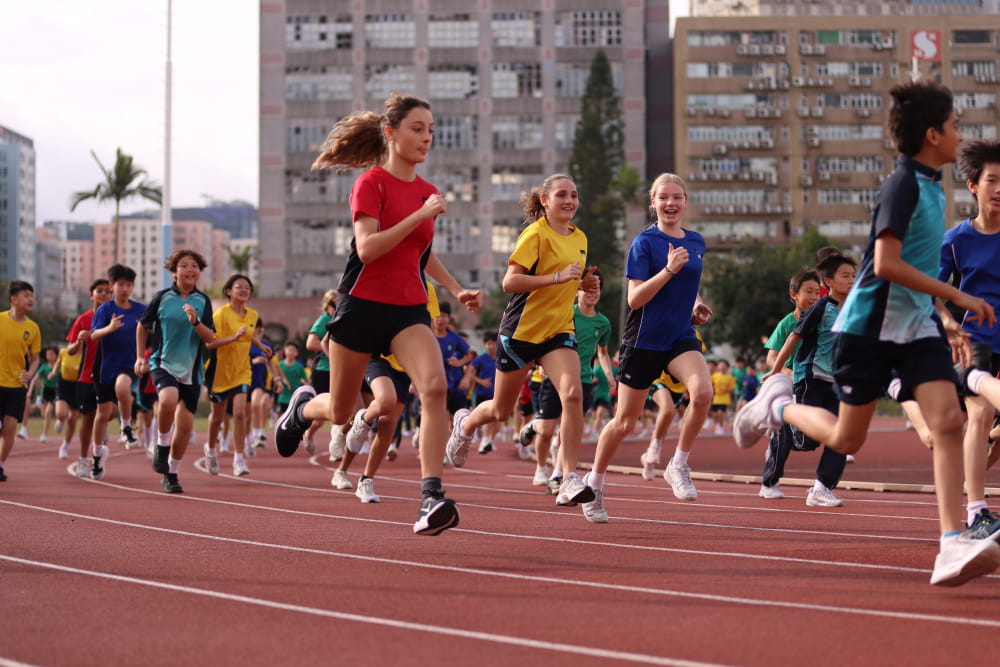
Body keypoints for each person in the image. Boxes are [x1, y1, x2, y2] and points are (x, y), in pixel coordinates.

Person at [733, 80, 1000, 586]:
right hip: (868, 328)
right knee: (845, 436)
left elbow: (915, 268)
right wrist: (958, 298)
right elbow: (886, 263)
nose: (959, 134)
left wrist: (941, 318)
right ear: (931, 134)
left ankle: (951, 542)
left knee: (948, 423)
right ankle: (776, 406)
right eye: (954, 125)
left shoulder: (931, 186)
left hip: (915, 327)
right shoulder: (903, 185)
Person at [273, 92, 481, 536]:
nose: (427, 137)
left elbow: (421, 253)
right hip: (361, 306)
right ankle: (303, 409)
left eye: (431, 130)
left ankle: (431, 497)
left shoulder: (426, 192)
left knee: (435, 387)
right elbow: (368, 249)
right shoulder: (371, 184)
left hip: (408, 309)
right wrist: (420, 215)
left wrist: (456, 289)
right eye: (417, 129)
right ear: (390, 132)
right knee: (341, 411)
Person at [445, 173, 600, 509]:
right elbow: (510, 282)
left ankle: (569, 478)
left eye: (574, 195)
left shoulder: (580, 238)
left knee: (573, 395)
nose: (570, 201)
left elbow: (567, 283)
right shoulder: (535, 234)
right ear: (545, 200)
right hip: (521, 333)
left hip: (559, 332)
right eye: (561, 195)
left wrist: (582, 284)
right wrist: (557, 277)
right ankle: (466, 423)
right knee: (500, 411)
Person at [581, 173, 714, 523]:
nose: (671, 203)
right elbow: (635, 298)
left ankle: (678, 464)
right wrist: (668, 271)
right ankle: (594, 483)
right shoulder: (644, 243)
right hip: (643, 340)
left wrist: (697, 305)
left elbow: (688, 286)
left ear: (685, 202)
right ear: (653, 203)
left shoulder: (696, 241)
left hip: (679, 336)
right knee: (625, 421)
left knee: (703, 393)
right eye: (663, 197)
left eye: (677, 197)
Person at [898, 138, 1000, 540]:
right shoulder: (956, 240)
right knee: (980, 414)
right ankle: (977, 513)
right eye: (993, 180)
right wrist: (946, 319)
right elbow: (928, 289)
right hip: (976, 341)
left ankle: (965, 476)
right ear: (973, 185)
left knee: (989, 428)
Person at [766, 253, 856, 507]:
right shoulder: (820, 308)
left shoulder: (854, 309)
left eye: (853, 276)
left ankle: (821, 488)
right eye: (845, 276)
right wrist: (776, 370)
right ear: (829, 281)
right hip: (810, 378)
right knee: (807, 441)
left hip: (836, 382)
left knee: (842, 435)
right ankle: (783, 422)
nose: (851, 280)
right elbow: (793, 338)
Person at [135, 250, 216, 494]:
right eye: (184, 265)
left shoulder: (203, 301)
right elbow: (142, 326)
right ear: (174, 272)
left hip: (191, 371)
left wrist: (196, 322)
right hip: (163, 363)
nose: (190, 269)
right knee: (168, 399)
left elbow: (210, 338)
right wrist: (140, 357)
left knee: (185, 426)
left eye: (194, 266)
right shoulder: (162, 298)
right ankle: (161, 446)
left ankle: (171, 474)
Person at [533, 272, 615, 494]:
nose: (592, 293)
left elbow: (603, 353)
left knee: (568, 431)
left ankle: (557, 476)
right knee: (546, 430)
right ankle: (534, 432)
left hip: (583, 380)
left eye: (596, 289)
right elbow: (545, 338)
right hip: (556, 377)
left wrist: (609, 375)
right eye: (588, 288)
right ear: (577, 290)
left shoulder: (603, 323)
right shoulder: (566, 313)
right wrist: (542, 363)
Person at [758, 269, 822, 499]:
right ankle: (769, 483)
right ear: (794, 294)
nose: (814, 297)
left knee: (809, 441)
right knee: (783, 435)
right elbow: (771, 357)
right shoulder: (787, 323)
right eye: (809, 292)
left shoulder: (824, 320)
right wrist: (789, 372)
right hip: (789, 387)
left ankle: (779, 443)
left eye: (817, 292)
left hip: (816, 386)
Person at [203, 274, 260, 477]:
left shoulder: (252, 315)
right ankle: (211, 450)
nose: (244, 290)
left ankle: (239, 458)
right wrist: (234, 338)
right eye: (239, 287)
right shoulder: (220, 315)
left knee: (240, 413)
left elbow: (249, 336)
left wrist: (261, 346)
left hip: (242, 371)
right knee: (217, 418)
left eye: (247, 287)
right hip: (220, 371)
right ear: (229, 291)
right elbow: (210, 343)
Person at [90, 264, 145, 454]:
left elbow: (157, 324)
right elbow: (94, 335)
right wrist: (109, 328)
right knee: (103, 414)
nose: (125, 289)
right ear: (111, 286)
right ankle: (97, 454)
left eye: (128, 285)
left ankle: (126, 427)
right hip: (105, 366)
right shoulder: (105, 310)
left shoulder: (140, 309)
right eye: (120, 284)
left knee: (123, 388)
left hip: (129, 362)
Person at [66, 279, 112, 479]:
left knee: (108, 414)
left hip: (109, 375)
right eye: (99, 291)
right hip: (87, 376)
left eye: (107, 292)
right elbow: (70, 350)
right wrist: (78, 341)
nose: (103, 294)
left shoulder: (115, 318)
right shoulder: (83, 319)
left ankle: (100, 445)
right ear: (91, 295)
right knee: (87, 418)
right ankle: (85, 460)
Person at [0, 281, 41, 482]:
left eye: (31, 295)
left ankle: (0, 465)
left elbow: (35, 359)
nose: (30, 299)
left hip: (17, 385)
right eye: (26, 295)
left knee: (9, 428)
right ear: (14, 299)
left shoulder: (32, 328)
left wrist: (30, 373)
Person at [303, 290, 338, 455]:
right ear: (327, 305)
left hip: (342, 370)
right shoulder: (324, 319)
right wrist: (334, 348)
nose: (336, 306)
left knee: (342, 409)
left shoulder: (346, 319)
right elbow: (310, 343)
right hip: (323, 370)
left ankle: (336, 443)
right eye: (333, 303)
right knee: (322, 416)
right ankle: (309, 433)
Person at [433, 301, 475, 416]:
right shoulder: (427, 335)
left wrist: (459, 362)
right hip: (432, 383)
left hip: (452, 384)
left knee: (457, 417)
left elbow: (469, 355)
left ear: (449, 318)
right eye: (437, 316)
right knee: (437, 416)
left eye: (443, 316)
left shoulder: (454, 337)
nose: (440, 319)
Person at [469, 331, 499, 454]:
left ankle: (488, 440)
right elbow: (470, 373)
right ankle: (481, 437)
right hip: (481, 392)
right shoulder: (481, 358)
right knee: (480, 417)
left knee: (494, 418)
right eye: (488, 344)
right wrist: (481, 381)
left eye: (493, 343)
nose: (490, 346)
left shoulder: (501, 358)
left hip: (495, 393)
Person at [53, 345, 82, 461]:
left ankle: (64, 446)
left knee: (73, 418)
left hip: (78, 386)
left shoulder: (85, 354)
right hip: (64, 384)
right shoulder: (64, 352)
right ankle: (60, 420)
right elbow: (58, 363)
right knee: (61, 413)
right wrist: (54, 372)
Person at [33, 346, 59, 444]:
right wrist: (30, 390)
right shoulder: (44, 367)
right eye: (48, 354)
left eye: (52, 354)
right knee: (43, 414)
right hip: (45, 391)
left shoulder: (59, 366)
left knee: (48, 412)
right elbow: (35, 378)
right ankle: (38, 403)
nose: (50, 356)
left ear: (56, 355)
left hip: (55, 391)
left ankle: (44, 434)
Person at [709, 359, 735, 435]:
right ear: (718, 367)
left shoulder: (729, 377)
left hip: (724, 397)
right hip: (716, 397)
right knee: (715, 414)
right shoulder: (714, 376)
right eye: (720, 365)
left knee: (720, 412)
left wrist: (727, 389)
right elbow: (711, 384)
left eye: (724, 365)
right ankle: (718, 424)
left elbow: (732, 388)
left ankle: (721, 427)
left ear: (727, 367)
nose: (722, 367)